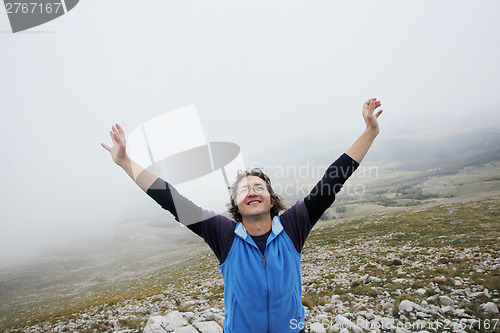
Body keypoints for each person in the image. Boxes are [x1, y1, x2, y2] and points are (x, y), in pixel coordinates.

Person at [101, 98, 383, 333]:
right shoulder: (222, 235)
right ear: (236, 205)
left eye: (259, 187)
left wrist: (370, 131)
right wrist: (125, 161)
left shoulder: (294, 225)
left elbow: (331, 182)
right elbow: (171, 200)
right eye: (243, 190)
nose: (252, 192)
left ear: (272, 199)